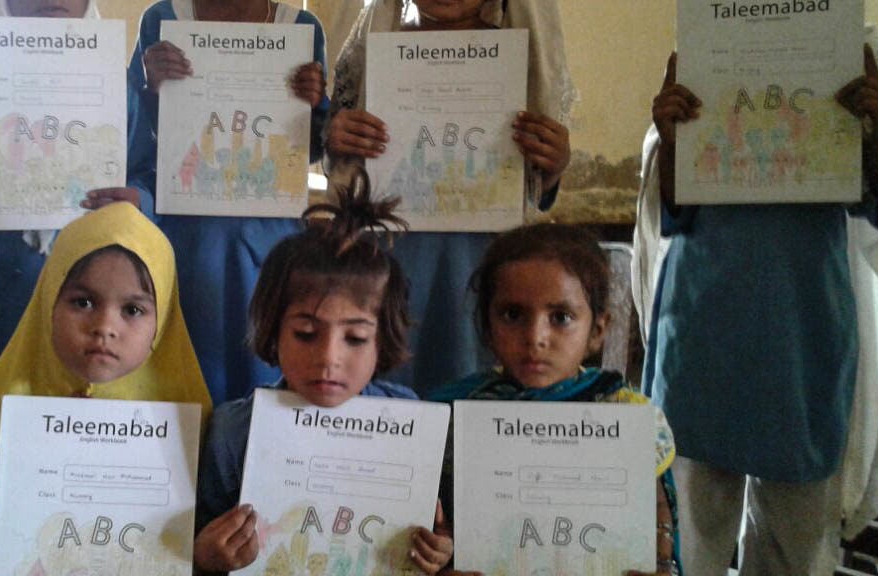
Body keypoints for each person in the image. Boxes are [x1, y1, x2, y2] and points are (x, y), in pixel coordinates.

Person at [638, 45, 878, 575]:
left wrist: (872, 133)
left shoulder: (842, 55)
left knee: (796, 542)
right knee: (689, 531)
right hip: (701, 327)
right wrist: (671, 138)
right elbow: (667, 210)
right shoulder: (700, 62)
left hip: (803, 331)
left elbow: (875, 200)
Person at [0, 202, 213, 575]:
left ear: (164, 320)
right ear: (48, 301)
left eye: (133, 310)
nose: (104, 326)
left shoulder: (188, 417)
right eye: (83, 302)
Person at [192, 170, 454, 574]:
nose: (329, 358)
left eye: (355, 338)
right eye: (306, 333)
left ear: (381, 341)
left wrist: (440, 551)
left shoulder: (412, 418)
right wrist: (206, 557)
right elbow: (201, 537)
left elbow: (430, 533)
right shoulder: (232, 429)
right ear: (273, 332)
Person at [0, 0, 155, 407]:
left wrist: (138, 198)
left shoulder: (113, 82)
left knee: (85, 410)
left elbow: (147, 172)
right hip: (2, 286)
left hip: (99, 289)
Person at [324, 0, 575, 395]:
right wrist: (337, 139)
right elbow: (340, 172)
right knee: (385, 390)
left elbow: (536, 193)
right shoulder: (380, 47)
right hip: (386, 265)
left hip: (480, 268)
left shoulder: (521, 56)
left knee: (470, 387)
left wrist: (553, 163)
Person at [428, 223, 679, 576]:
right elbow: (428, 529)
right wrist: (439, 566)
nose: (536, 337)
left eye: (561, 318)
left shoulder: (625, 416)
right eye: (513, 315)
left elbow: (658, 520)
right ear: (487, 325)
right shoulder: (448, 416)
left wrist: (661, 565)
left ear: (597, 331)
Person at [129, 0, 330, 405]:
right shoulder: (163, 19)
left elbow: (309, 149)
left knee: (263, 366)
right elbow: (137, 138)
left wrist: (315, 106)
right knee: (188, 373)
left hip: (269, 238)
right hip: (186, 235)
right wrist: (148, 87)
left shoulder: (302, 27)